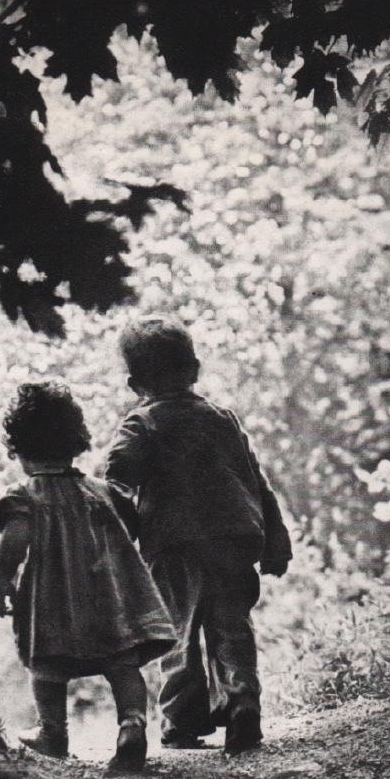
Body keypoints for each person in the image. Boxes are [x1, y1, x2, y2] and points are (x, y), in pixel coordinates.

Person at [104, 316, 292, 755]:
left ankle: (182, 721)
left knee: (177, 633)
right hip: (232, 538)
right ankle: (243, 703)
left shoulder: (141, 423)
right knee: (232, 626)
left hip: (173, 544)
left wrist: (124, 533)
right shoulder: (223, 419)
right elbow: (256, 481)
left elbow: (116, 482)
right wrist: (276, 538)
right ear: (195, 369)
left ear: (134, 384)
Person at [0, 381, 175, 772]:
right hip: (110, 598)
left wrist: (3, 580)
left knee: (45, 668)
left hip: (52, 602)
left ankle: (53, 733)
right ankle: (132, 725)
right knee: (123, 664)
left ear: (18, 449)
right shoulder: (102, 492)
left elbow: (15, 538)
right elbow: (130, 523)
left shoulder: (24, 495)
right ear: (75, 441)